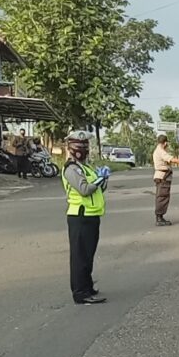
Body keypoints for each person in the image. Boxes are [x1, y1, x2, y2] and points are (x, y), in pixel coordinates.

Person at [62, 130, 109, 305]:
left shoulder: (85, 167)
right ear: (71, 148)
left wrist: (103, 180)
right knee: (80, 257)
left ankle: (87, 287)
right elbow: (84, 189)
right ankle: (80, 293)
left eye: (85, 146)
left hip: (92, 215)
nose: (83, 149)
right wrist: (99, 180)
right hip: (80, 216)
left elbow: (98, 189)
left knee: (88, 255)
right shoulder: (71, 168)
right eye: (79, 146)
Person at [152, 134, 179, 226]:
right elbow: (172, 159)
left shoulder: (158, 150)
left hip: (162, 176)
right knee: (162, 197)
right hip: (163, 177)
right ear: (165, 143)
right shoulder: (161, 151)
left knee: (162, 196)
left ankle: (160, 217)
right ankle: (159, 218)